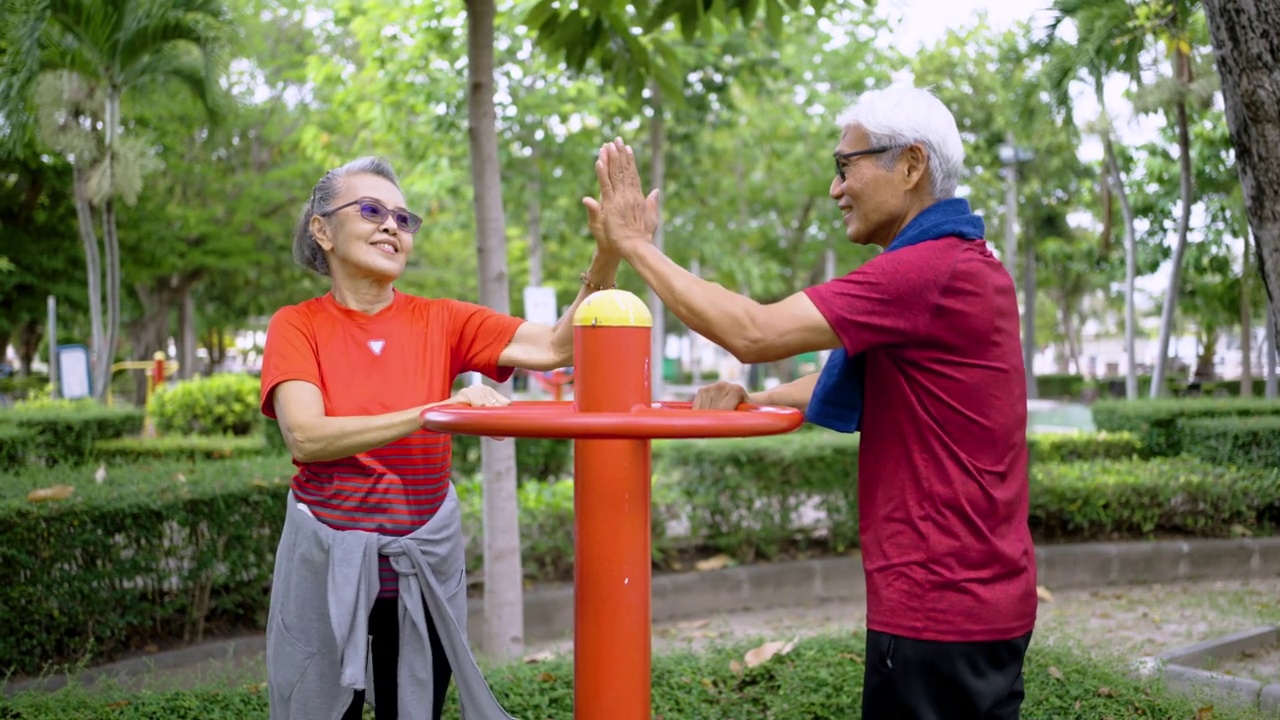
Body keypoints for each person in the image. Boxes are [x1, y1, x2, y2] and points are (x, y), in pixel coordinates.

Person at [585, 86, 1037, 719]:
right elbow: (861, 381)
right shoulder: (959, 265)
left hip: (940, 607)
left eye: (845, 166)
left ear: (909, 166)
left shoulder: (926, 270)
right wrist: (755, 399)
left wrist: (634, 245)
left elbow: (753, 331)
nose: (835, 190)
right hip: (975, 597)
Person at [260, 156, 619, 720]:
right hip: (327, 570)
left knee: (415, 711)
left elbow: (555, 348)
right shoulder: (296, 324)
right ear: (322, 229)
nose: (391, 227)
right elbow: (305, 437)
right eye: (372, 210)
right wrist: (435, 410)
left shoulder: (443, 319)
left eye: (404, 219)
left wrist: (610, 252)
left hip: (420, 572)